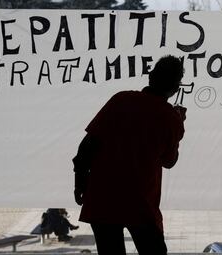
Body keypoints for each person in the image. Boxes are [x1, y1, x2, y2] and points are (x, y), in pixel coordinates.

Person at [72, 55, 186, 254]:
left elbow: (86, 148)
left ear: (150, 77)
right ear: (176, 89)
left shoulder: (120, 100)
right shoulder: (170, 117)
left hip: (102, 199)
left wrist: (80, 184)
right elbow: (169, 161)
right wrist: (178, 126)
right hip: (141, 205)